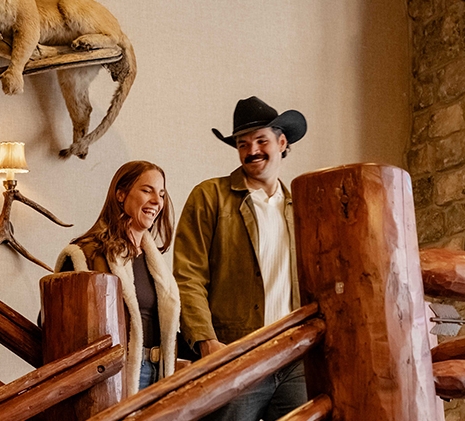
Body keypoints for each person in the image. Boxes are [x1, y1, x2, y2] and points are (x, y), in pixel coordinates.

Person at [173, 96, 308, 420]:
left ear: (282, 142)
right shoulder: (209, 197)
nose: (252, 151)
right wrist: (206, 341)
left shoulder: (304, 208)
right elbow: (188, 276)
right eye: (242, 143)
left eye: (261, 140)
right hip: (234, 353)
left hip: (296, 357)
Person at [55, 161, 180, 396]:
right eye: (147, 190)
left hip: (158, 375)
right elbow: (56, 323)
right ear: (121, 194)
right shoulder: (87, 253)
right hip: (113, 375)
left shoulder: (155, 262)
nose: (157, 201)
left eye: (161, 194)